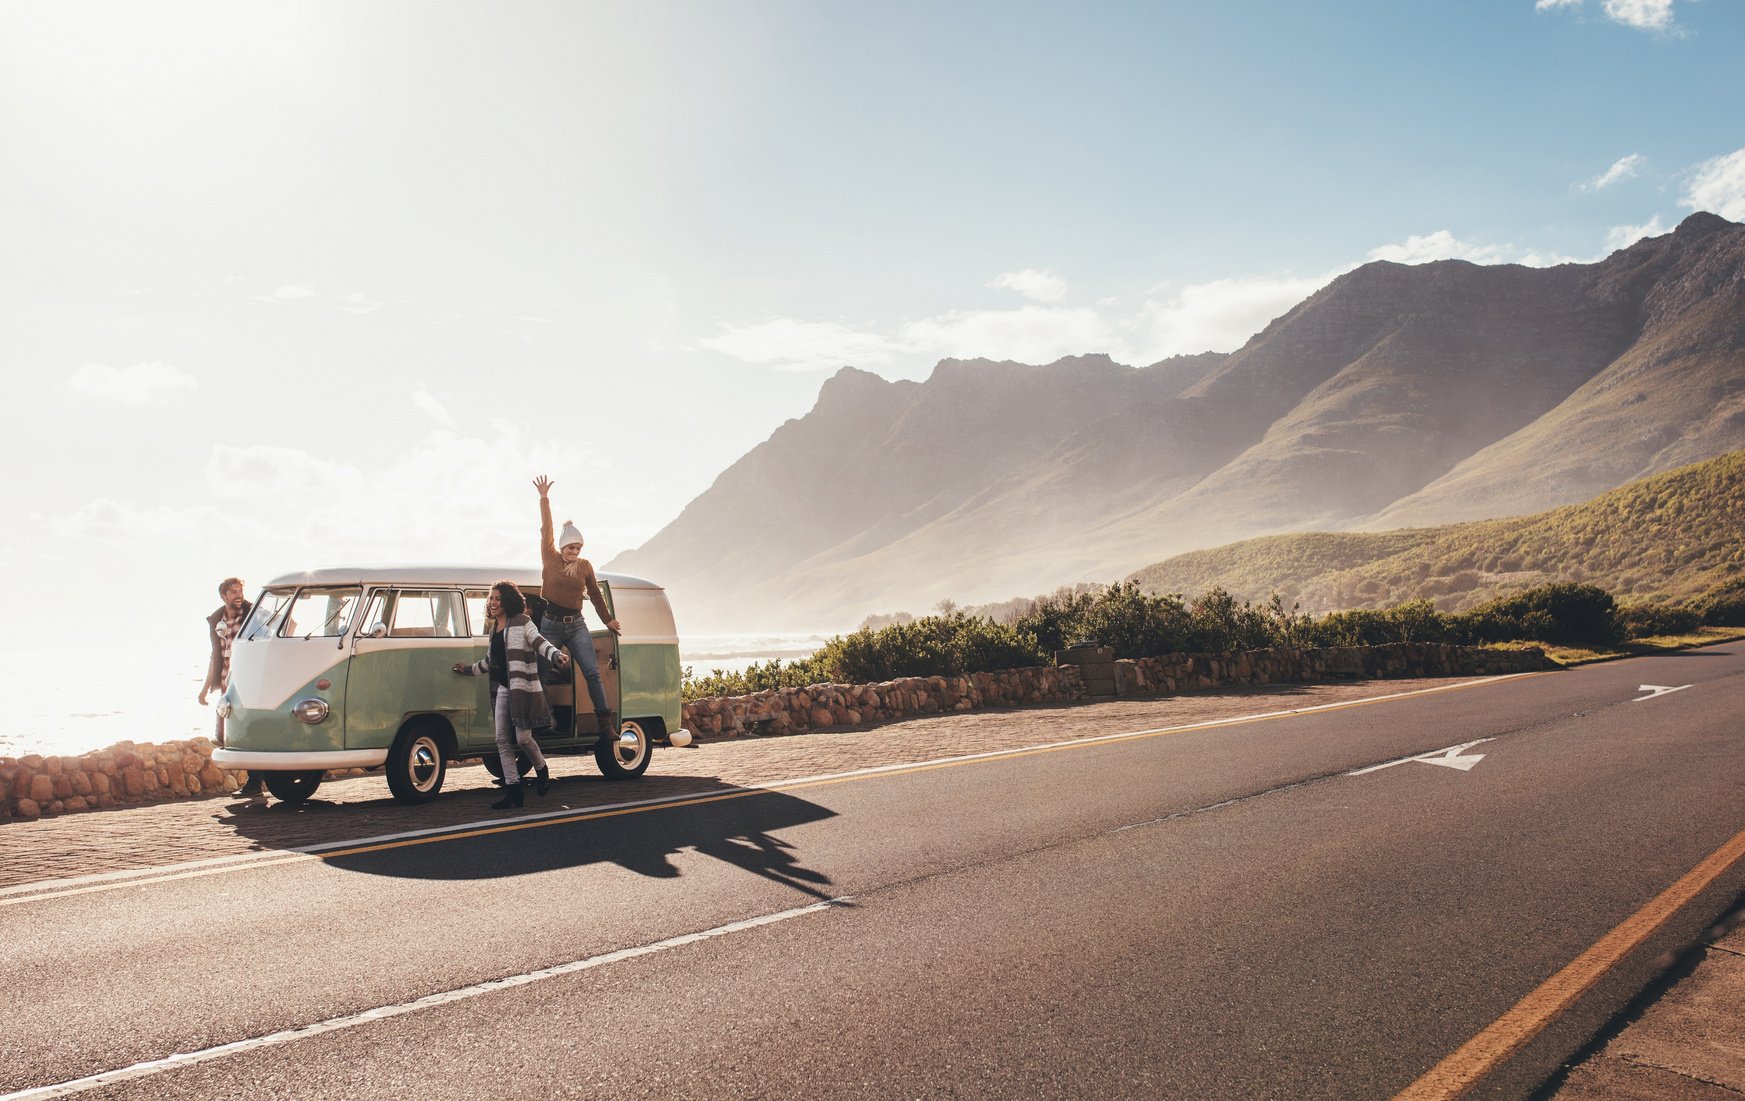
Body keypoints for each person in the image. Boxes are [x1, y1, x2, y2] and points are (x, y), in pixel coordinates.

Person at [453, 581, 570, 810]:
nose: (494, 603)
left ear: (507, 600)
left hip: (523, 689)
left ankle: (541, 768)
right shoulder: (493, 629)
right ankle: (514, 790)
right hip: (503, 690)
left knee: (523, 739)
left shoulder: (523, 622)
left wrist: (556, 656)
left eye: (498, 598)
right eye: (491, 599)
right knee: (501, 740)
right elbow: (489, 663)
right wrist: (467, 669)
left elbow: (540, 643)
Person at [532, 475, 621, 738]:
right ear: (562, 546)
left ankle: (605, 725)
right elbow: (546, 528)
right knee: (539, 673)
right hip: (551, 624)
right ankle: (544, 721)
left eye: (579, 547)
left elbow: (594, 594)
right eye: (571, 547)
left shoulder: (584, 566)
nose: (575, 551)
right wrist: (544, 498)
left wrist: (608, 621)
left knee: (592, 673)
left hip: (576, 624)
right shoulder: (550, 557)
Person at [200, 577, 260, 797]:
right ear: (223, 596)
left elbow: (288, 625)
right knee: (226, 737)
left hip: (249, 684)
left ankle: (255, 783)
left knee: (249, 735)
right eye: (233, 591)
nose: (238, 594)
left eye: (240, 590)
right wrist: (205, 688)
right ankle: (254, 781)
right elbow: (215, 657)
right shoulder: (217, 620)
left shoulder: (254, 614)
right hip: (228, 688)